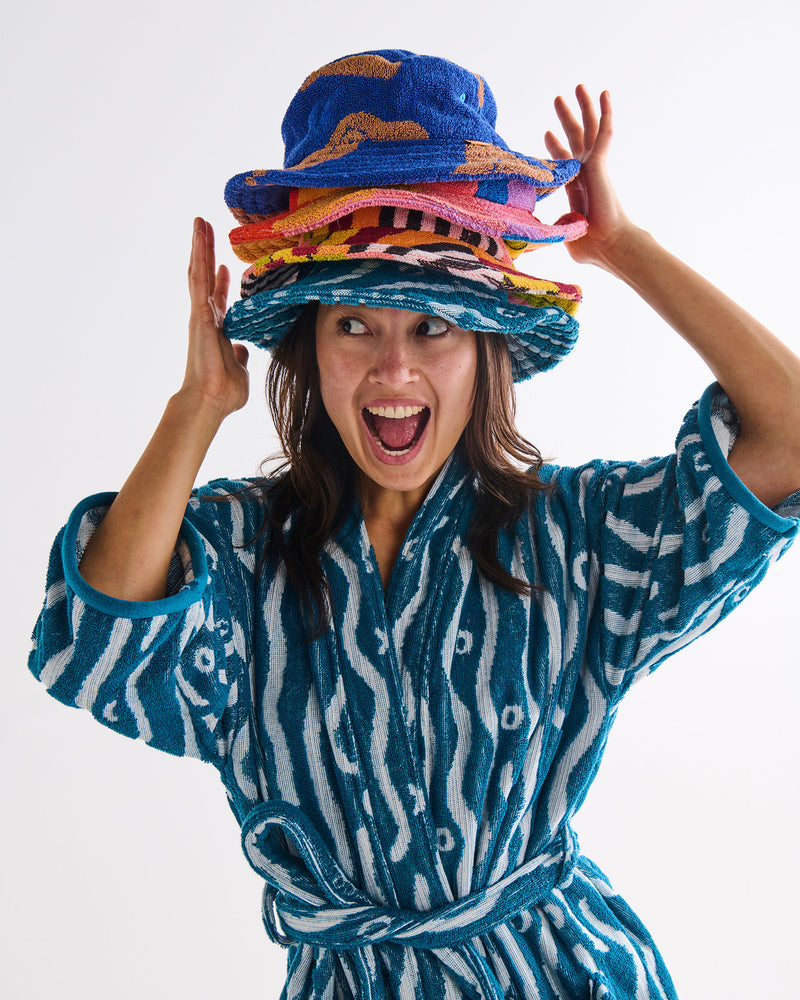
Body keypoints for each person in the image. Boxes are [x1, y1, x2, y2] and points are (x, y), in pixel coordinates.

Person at [29, 50, 800, 1000]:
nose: (394, 372)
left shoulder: (578, 540)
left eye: (433, 327)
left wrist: (623, 247)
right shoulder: (241, 551)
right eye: (355, 324)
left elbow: (792, 439)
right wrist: (196, 406)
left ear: (486, 353)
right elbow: (106, 637)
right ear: (309, 346)